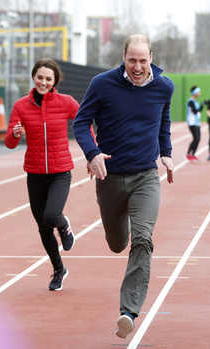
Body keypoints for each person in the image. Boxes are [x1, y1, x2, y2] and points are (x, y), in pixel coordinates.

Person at [72, 34, 175, 340]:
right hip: (110, 178)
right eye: (132, 60)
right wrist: (92, 154)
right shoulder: (102, 84)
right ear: (123, 57)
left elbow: (164, 120)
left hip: (145, 176)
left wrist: (166, 153)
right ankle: (122, 224)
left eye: (143, 60)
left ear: (151, 59)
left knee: (142, 239)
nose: (138, 67)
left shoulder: (164, 86)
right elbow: (81, 122)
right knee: (118, 243)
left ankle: (128, 311)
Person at [5, 58, 77, 291]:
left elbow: (84, 122)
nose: (43, 82)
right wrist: (16, 134)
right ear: (33, 77)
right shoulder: (21, 106)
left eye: (48, 79)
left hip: (60, 171)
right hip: (35, 173)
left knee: (51, 215)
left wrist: (93, 151)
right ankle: (59, 270)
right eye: (40, 77)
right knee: (43, 227)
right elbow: (9, 143)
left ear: (55, 81)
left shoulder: (66, 102)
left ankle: (64, 225)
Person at [186, 86, 203, 163]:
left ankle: (193, 154)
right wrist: (202, 106)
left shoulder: (195, 101)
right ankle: (188, 154)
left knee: (198, 138)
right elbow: (195, 111)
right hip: (192, 123)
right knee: (196, 138)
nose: (199, 94)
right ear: (195, 93)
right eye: (198, 92)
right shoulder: (191, 101)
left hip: (197, 122)